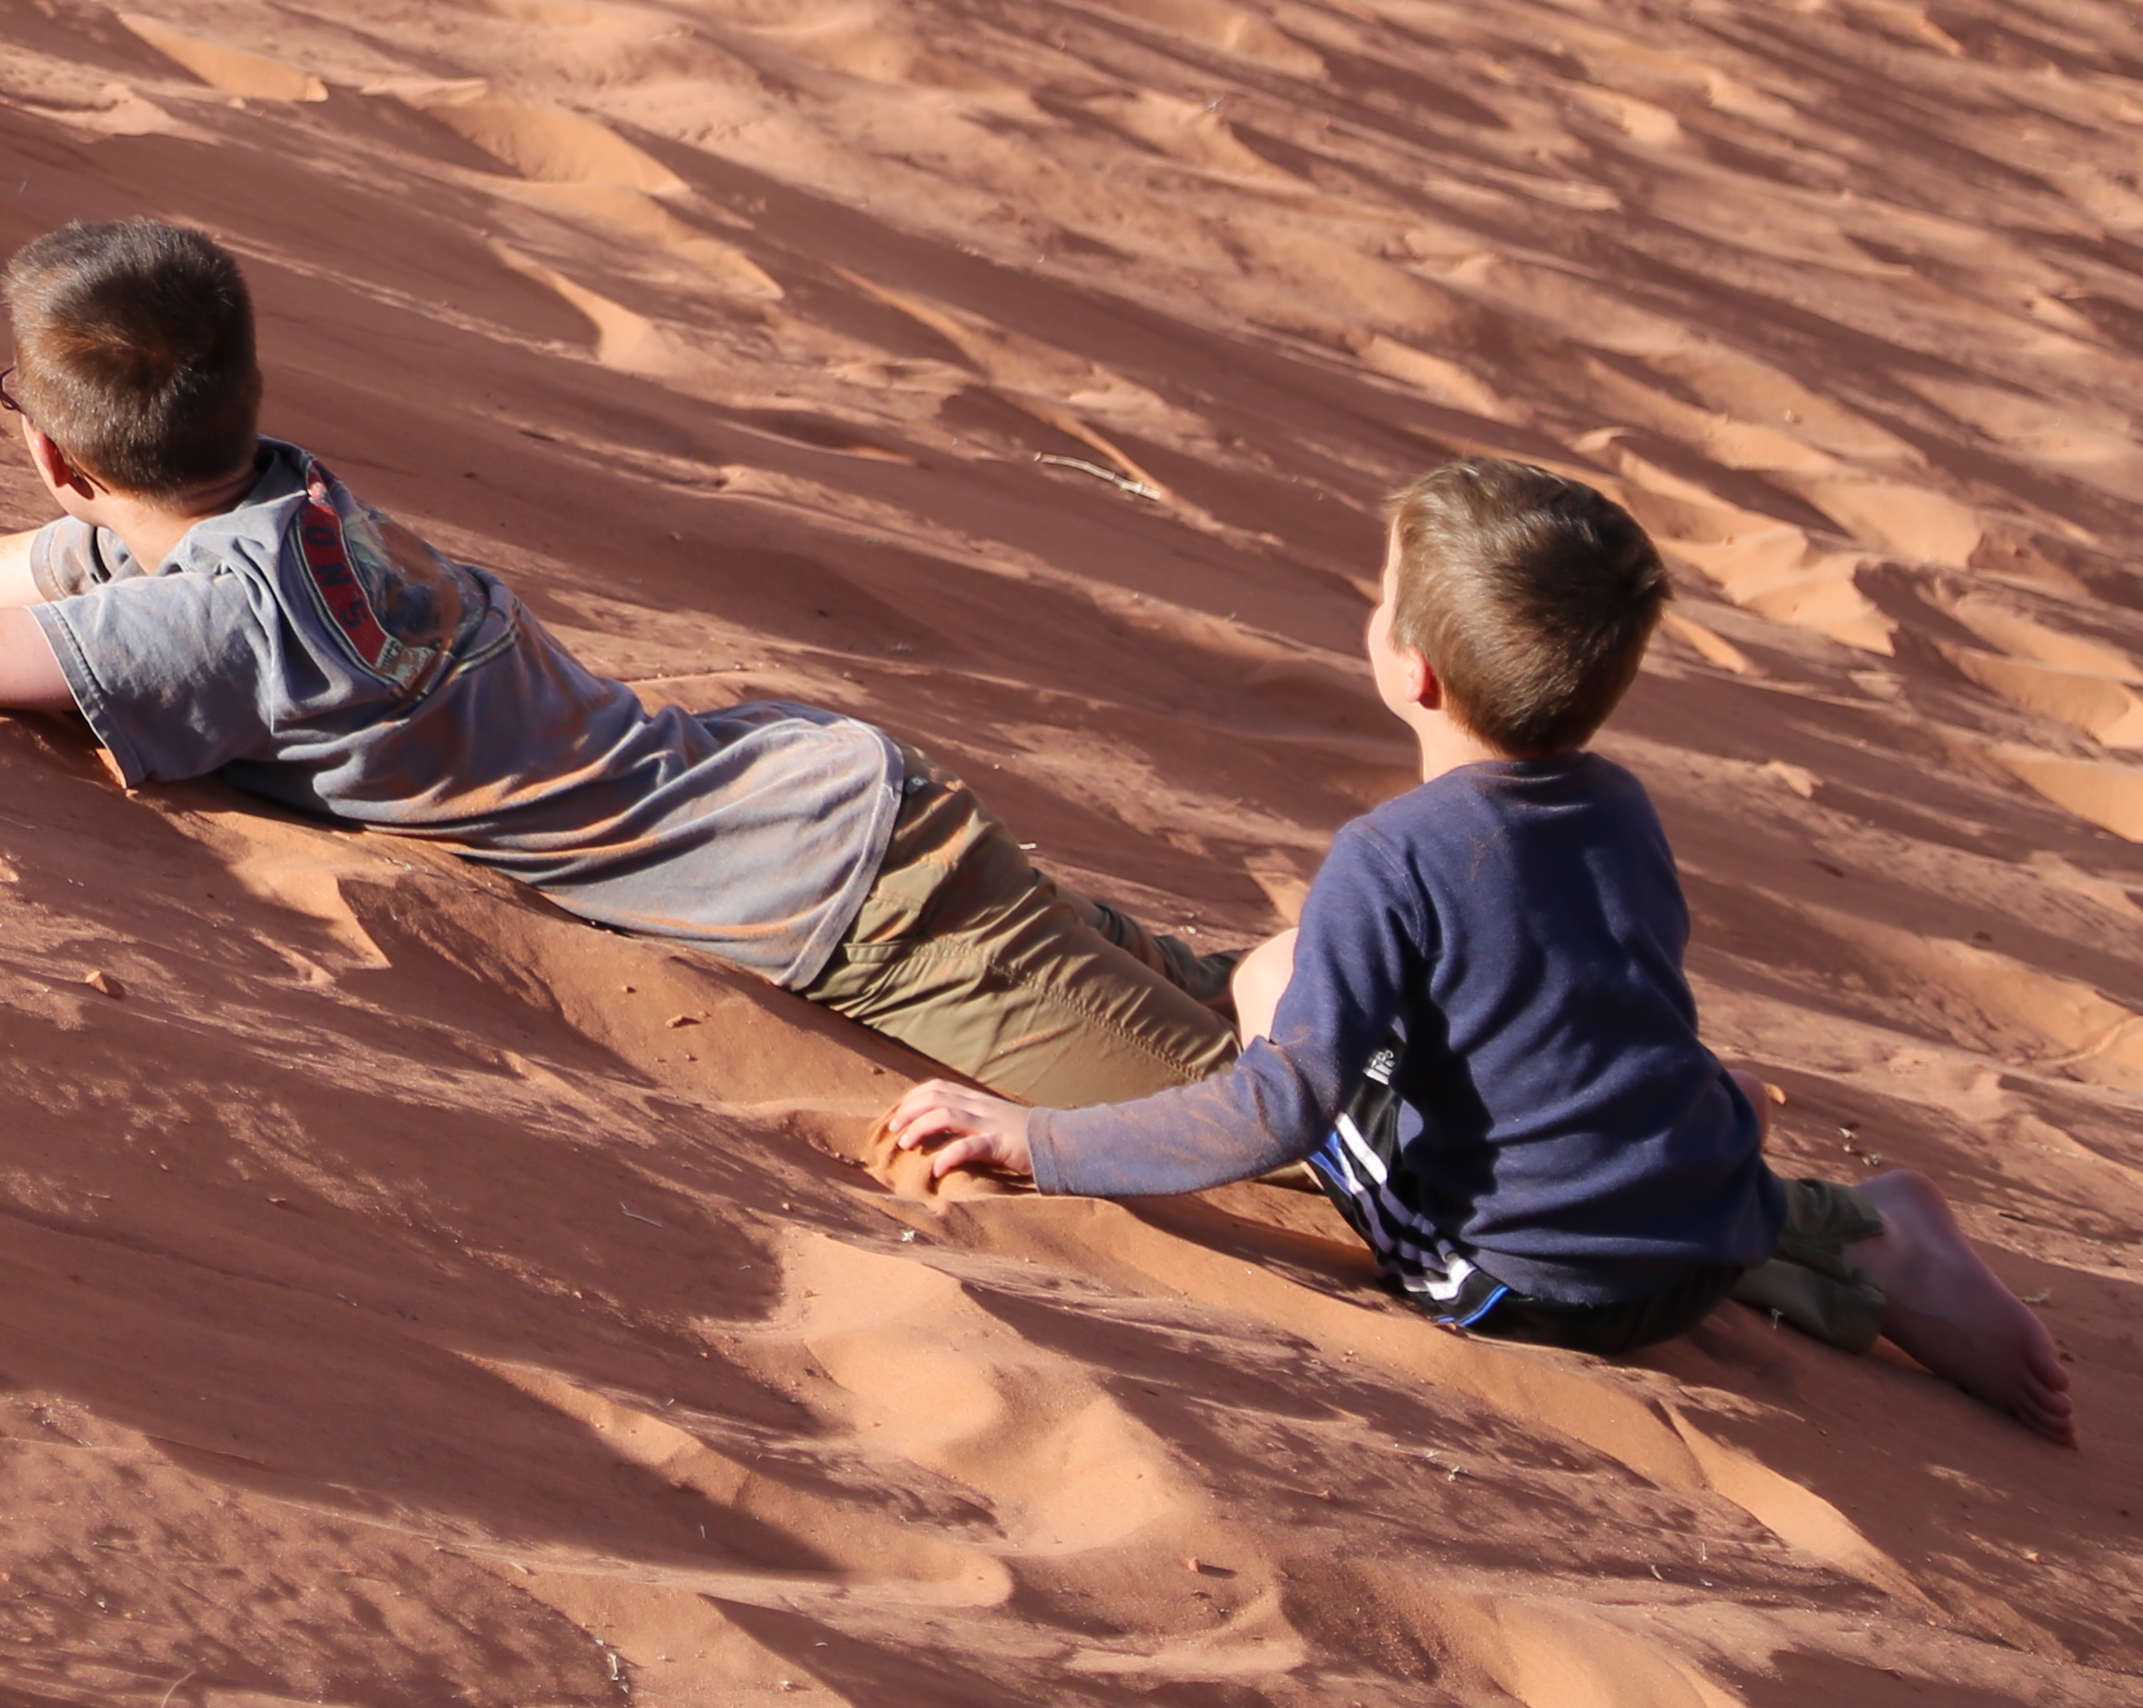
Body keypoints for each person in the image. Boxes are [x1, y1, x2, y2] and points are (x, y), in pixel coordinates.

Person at [0, 217, 1239, 1104]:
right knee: (1274, 1039)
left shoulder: (221, 611)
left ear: (49, 440)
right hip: (846, 803)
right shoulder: (273, 506)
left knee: (1274, 1143)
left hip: (873, 908)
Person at [879, 460, 2074, 1436]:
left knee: (1269, 984)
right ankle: (1844, 1215)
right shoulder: (1620, 806)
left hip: (1536, 1290)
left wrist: (1039, 1141)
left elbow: (1279, 1111)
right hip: (1717, 1225)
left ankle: (1799, 1202)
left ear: (1415, 667)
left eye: (1382, 594)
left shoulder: (1390, 855)